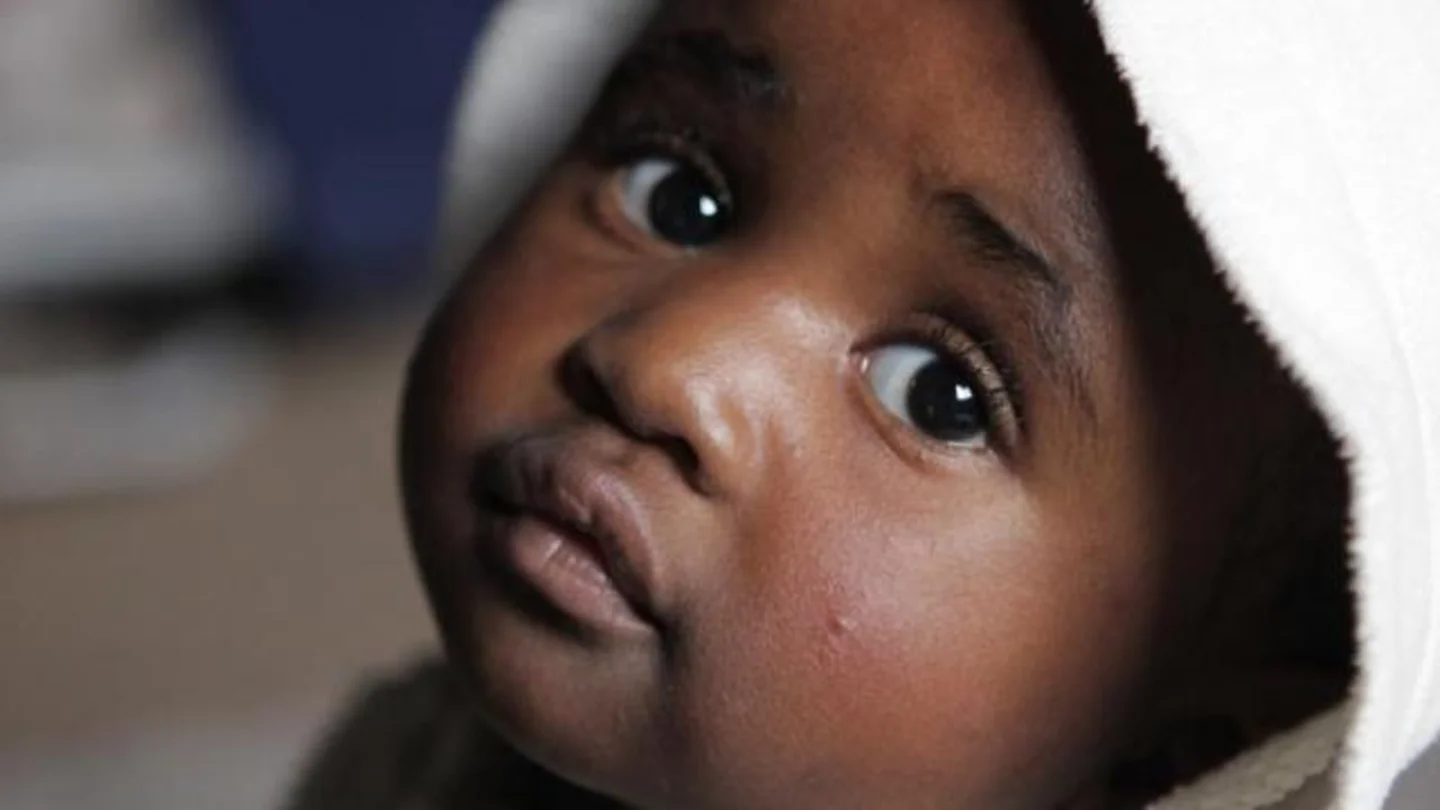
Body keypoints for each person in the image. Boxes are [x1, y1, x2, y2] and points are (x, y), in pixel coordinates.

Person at [286, 1, 1440, 808]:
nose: (669, 362)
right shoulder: (409, 766)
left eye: (940, 396)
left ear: (1180, 756)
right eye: (678, 193)